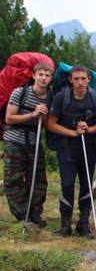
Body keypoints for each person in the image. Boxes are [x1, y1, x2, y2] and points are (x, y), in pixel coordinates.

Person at [47, 65, 96, 238]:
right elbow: (50, 124)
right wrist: (73, 132)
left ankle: (83, 224)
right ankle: (65, 225)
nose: (80, 82)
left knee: (87, 184)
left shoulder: (95, 98)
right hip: (67, 149)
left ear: (89, 79)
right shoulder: (61, 98)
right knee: (67, 185)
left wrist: (88, 129)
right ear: (70, 80)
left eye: (83, 78)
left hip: (88, 147)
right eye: (76, 79)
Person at [3, 62, 54, 226]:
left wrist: (44, 115)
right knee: (14, 179)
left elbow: (47, 123)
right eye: (40, 74)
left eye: (47, 75)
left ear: (51, 78)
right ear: (33, 76)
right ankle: (22, 216)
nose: (43, 78)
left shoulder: (49, 96)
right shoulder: (20, 92)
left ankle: (35, 213)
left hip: (34, 140)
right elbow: (9, 118)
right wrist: (33, 113)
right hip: (14, 140)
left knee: (38, 179)